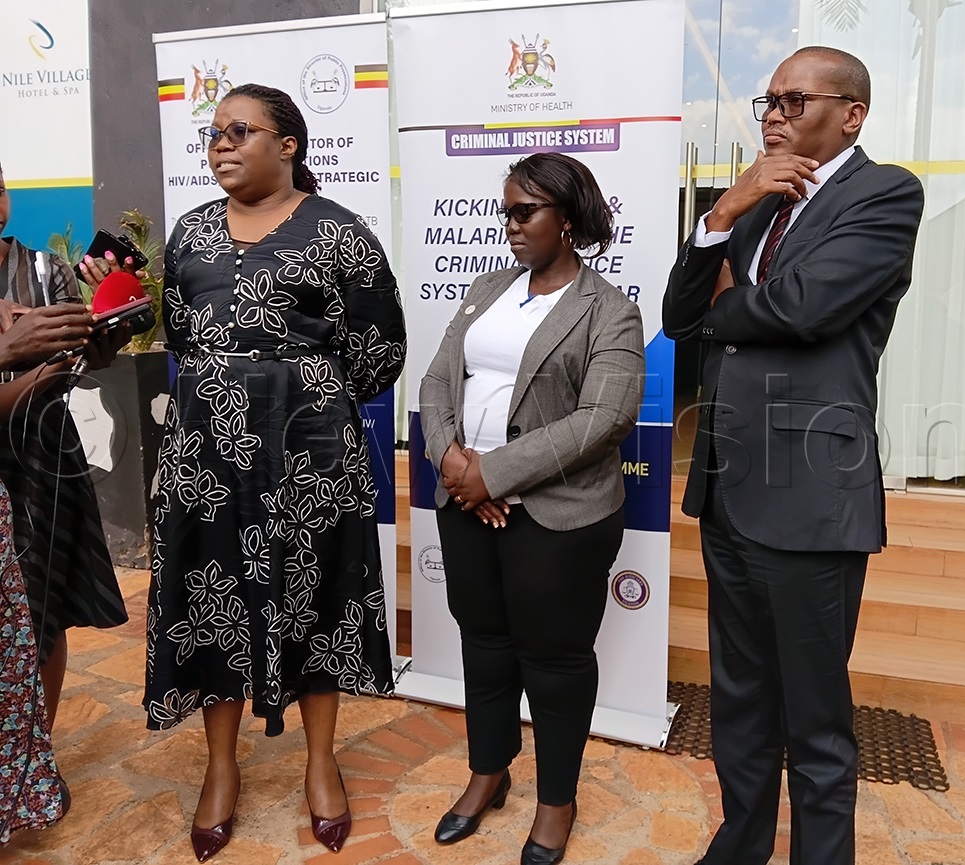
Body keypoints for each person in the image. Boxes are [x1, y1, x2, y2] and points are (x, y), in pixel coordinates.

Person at [662, 47, 924, 865]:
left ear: (851, 113)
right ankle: (740, 843)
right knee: (740, 698)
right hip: (731, 487)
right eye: (766, 99)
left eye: (793, 99)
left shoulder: (883, 193)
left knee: (814, 716)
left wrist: (728, 305)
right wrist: (720, 213)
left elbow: (807, 308)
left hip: (812, 491)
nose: (772, 113)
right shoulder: (756, 205)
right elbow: (678, 314)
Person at [144, 83, 405, 862]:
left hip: (310, 457)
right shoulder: (189, 234)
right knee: (210, 595)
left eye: (239, 130)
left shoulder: (340, 233)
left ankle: (321, 762)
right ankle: (220, 768)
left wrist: (301, 392)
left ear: (287, 143)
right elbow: (182, 336)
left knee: (317, 593)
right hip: (207, 459)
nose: (221, 142)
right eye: (213, 131)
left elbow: (379, 350)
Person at [420, 152, 644, 865]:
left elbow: (601, 420)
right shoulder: (488, 288)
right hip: (467, 504)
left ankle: (557, 801)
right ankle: (489, 770)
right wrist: (456, 465)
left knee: (553, 660)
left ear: (569, 219)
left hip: (560, 516)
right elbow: (435, 381)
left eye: (526, 212)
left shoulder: (610, 310)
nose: (510, 224)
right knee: (483, 643)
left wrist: (494, 476)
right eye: (507, 210)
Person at [0, 162, 132, 817]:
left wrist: (101, 334)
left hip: (38, 467)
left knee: (40, 615)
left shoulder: (45, 274)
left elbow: (77, 366)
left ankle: (31, 760)